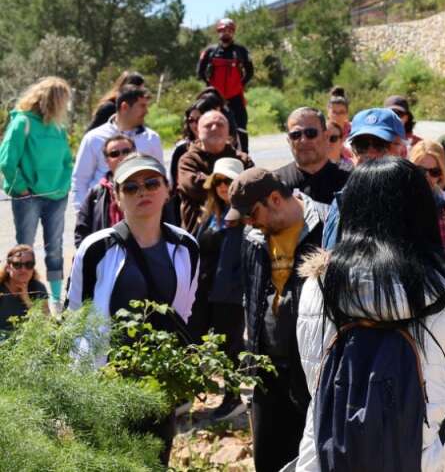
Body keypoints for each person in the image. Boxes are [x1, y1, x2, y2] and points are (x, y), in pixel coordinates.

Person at [294, 157, 445, 471]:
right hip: (430, 459)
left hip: (331, 456)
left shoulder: (316, 287)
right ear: (423, 211)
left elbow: (311, 382)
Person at [67, 153, 199, 462]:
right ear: (116, 196)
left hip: (158, 383)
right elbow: (74, 317)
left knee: (154, 461)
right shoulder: (96, 248)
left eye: (152, 183)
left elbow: (184, 312)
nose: (143, 192)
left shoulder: (185, 247)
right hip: (105, 383)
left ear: (168, 190)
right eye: (131, 187)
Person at [228, 167, 327, 472]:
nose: (249, 221)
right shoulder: (253, 237)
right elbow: (252, 297)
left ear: (274, 198)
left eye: (252, 213)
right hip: (267, 374)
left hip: (313, 374)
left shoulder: (326, 227)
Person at [0, 77, 75, 301]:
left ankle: (55, 300)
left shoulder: (58, 128)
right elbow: (6, 161)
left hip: (57, 198)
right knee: (24, 252)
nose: (66, 106)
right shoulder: (22, 122)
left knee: (55, 249)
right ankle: (22, 298)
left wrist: (64, 186)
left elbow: (66, 162)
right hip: (29, 198)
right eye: (64, 100)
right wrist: (22, 189)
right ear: (53, 100)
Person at [189, 157, 248, 418]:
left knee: (230, 345)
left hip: (230, 292)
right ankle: (188, 392)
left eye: (230, 181)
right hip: (205, 291)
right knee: (195, 339)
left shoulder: (245, 214)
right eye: (220, 181)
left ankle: (233, 397)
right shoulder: (212, 213)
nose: (224, 186)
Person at [320, 108, 406, 250]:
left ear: (401, 150)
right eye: (361, 145)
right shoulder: (341, 201)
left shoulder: (417, 198)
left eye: (380, 144)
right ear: (352, 153)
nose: (370, 154)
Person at [71, 84, 163, 211]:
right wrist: (83, 215)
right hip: (103, 211)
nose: (146, 111)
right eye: (142, 106)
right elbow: (80, 180)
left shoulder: (151, 138)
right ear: (125, 107)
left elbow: (160, 176)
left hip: (142, 211)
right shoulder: (93, 138)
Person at [175, 109, 254, 232]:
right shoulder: (188, 161)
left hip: (242, 233)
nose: (214, 128)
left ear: (228, 130)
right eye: (208, 125)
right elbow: (196, 188)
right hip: (200, 237)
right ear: (198, 130)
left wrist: (207, 178)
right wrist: (234, 181)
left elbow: (253, 187)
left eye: (220, 125)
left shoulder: (242, 158)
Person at [197, 17, 254, 150]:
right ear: (218, 32)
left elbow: (250, 71)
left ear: (233, 32)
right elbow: (200, 72)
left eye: (229, 30)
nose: (226, 33)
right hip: (214, 98)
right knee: (210, 124)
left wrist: (240, 84)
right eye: (223, 30)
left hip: (235, 96)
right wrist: (210, 87)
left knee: (241, 126)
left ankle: (244, 155)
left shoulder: (241, 51)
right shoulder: (210, 51)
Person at [273, 108, 348, 206]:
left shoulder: (349, 180)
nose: (303, 140)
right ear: (289, 141)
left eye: (311, 133)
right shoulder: (276, 183)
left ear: (326, 137)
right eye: (296, 135)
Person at [74, 133, 135, 247]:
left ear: (135, 154)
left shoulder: (150, 186)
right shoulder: (96, 193)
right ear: (107, 160)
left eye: (126, 151)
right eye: (114, 154)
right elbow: (81, 232)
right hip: (106, 257)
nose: (121, 157)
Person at [0, 245, 49, 329]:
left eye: (29, 264)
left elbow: (47, 322)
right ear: (8, 267)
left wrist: (26, 299)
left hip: (28, 339)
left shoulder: (38, 288)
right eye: (17, 264)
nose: (23, 269)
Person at [325, 87, 352, 164]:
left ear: (347, 113)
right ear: (328, 112)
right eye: (334, 112)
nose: (337, 116)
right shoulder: (321, 130)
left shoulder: (354, 130)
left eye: (341, 112)